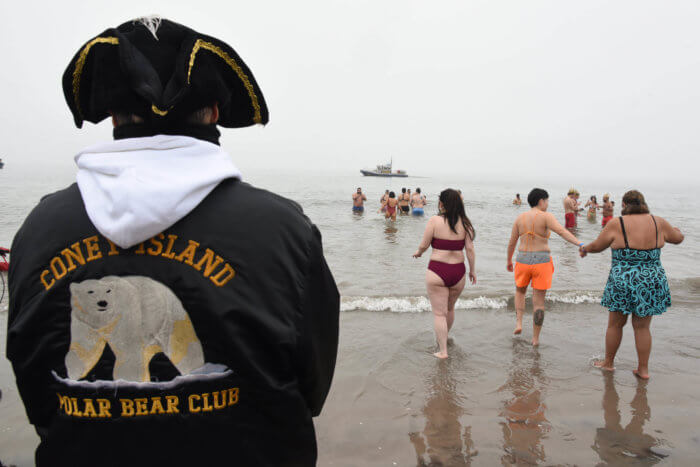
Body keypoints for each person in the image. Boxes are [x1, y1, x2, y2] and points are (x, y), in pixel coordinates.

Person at [7, 18, 339, 466]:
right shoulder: (284, 231)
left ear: (111, 115)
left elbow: (36, 386)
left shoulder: (39, 229)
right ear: (216, 113)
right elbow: (312, 386)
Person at [580, 190, 683, 379]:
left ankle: (608, 363)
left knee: (615, 325)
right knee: (642, 327)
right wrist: (677, 231)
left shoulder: (617, 223)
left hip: (623, 279)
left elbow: (598, 245)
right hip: (651, 279)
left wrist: (585, 249)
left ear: (625, 205)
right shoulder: (658, 221)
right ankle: (643, 370)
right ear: (643, 203)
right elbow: (677, 239)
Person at [507, 188, 583, 346]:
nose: (547, 204)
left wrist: (509, 260)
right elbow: (562, 232)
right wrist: (580, 243)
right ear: (541, 201)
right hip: (542, 260)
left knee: (520, 291)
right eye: (547, 201)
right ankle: (535, 339)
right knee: (539, 303)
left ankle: (519, 323)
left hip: (522, 259)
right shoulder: (546, 216)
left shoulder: (520, 218)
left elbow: (512, 242)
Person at [413, 189, 476, 359]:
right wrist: (472, 271)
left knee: (439, 313)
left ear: (442, 203)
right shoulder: (465, 223)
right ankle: (444, 339)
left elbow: (425, 244)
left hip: (437, 271)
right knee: (449, 308)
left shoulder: (434, 221)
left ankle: (443, 351)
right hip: (458, 272)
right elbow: (470, 249)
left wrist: (419, 252)